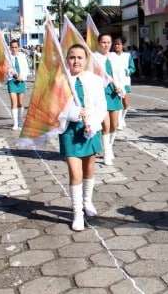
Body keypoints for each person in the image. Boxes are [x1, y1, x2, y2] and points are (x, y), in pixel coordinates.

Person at [58, 44, 107, 231]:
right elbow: (55, 109)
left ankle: (87, 202)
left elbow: (101, 107)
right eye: (72, 57)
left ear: (86, 60)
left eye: (80, 57)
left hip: (91, 129)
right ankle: (77, 213)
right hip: (69, 130)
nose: (76, 61)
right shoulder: (61, 81)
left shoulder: (94, 80)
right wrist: (75, 113)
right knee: (75, 171)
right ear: (67, 60)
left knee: (89, 168)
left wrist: (92, 124)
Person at [92, 34, 122, 165]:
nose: (106, 45)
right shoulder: (94, 57)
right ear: (99, 43)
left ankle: (109, 146)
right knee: (106, 125)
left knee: (115, 125)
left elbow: (119, 75)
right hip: (101, 93)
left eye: (108, 42)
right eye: (103, 42)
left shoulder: (114, 57)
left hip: (115, 93)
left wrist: (120, 88)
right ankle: (107, 153)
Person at [111, 37, 135, 130]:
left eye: (119, 44)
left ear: (122, 45)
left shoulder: (127, 56)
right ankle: (119, 122)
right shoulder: (110, 55)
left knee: (125, 102)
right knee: (117, 102)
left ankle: (122, 118)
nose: (117, 46)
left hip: (125, 82)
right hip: (115, 82)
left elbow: (132, 68)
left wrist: (127, 71)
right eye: (115, 44)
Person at [7, 40, 30, 130]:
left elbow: (26, 68)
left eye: (16, 47)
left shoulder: (22, 56)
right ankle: (15, 123)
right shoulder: (8, 57)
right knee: (14, 102)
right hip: (11, 81)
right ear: (10, 48)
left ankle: (20, 121)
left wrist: (22, 76)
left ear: (18, 47)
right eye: (12, 47)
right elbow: (6, 69)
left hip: (21, 81)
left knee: (20, 103)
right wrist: (11, 73)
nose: (14, 49)